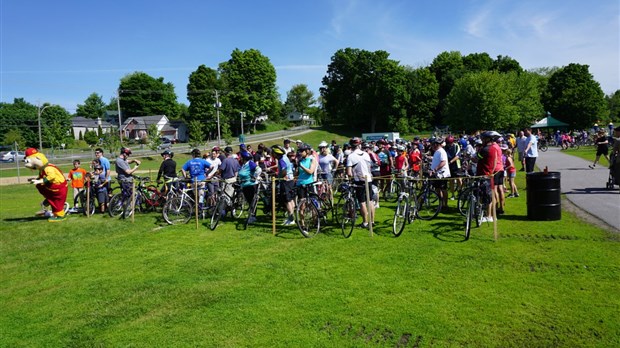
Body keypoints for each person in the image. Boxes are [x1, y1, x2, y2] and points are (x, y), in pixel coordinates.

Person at [346, 137, 376, 228]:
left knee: (362, 202)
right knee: (370, 201)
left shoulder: (350, 156)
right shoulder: (366, 154)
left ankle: (365, 222)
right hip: (369, 179)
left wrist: (350, 176)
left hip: (359, 181)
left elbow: (349, 173)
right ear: (359, 145)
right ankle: (372, 221)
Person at [475, 131, 501, 222]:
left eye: (482, 139)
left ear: (486, 139)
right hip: (490, 174)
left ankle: (488, 216)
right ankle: (491, 215)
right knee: (490, 195)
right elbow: (495, 161)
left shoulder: (485, 149)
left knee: (486, 197)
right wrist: (492, 171)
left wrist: (472, 157)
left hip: (483, 174)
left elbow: (476, 158)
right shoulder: (494, 148)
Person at [271, 144, 296, 225]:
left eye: (273, 153)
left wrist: (279, 177)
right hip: (291, 180)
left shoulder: (281, 160)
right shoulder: (285, 157)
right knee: (291, 199)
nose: (272, 154)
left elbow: (284, 170)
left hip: (286, 181)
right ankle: (292, 218)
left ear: (276, 153)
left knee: (287, 200)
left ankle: (291, 219)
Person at [238, 150, 262, 224]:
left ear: (244, 158)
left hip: (251, 185)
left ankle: (253, 216)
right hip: (245, 185)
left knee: (252, 201)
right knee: (249, 201)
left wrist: (254, 177)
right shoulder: (244, 165)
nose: (240, 158)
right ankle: (251, 216)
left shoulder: (250, 163)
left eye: (241, 157)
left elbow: (259, 169)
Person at [429, 137, 451, 207]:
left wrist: (435, 169)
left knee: (443, 189)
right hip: (437, 174)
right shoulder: (437, 151)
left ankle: (445, 204)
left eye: (433, 144)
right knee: (438, 189)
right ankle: (441, 203)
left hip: (442, 173)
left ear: (436, 144)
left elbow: (443, 162)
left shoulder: (441, 151)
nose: (432, 146)